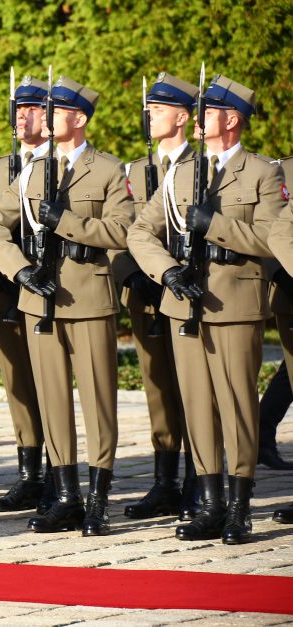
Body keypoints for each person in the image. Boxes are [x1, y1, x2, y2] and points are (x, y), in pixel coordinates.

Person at [131, 75, 286, 544]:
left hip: (235, 301)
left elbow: (272, 238)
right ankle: (211, 503)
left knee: (237, 406)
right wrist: (167, 272)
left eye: (211, 111)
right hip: (184, 302)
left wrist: (214, 224)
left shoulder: (261, 172)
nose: (200, 119)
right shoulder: (180, 172)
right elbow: (141, 233)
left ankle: (240, 508)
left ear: (232, 120)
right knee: (197, 405)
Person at [0, 76, 134, 537]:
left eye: (55, 111)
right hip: (39, 299)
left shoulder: (107, 170)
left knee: (98, 402)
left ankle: (99, 498)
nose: (44, 118)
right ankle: (65, 496)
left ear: (79, 118)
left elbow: (122, 231)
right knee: (51, 400)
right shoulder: (30, 171)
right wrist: (19, 270)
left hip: (87, 297)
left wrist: (63, 221)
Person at [114, 73, 199, 521]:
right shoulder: (133, 172)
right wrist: (134, 273)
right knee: (158, 387)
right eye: (148, 110)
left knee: (195, 388)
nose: (150, 117)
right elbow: (119, 231)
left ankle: (200, 480)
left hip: (189, 293)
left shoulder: (202, 168)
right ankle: (165, 480)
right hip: (145, 294)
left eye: (160, 110)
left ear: (183, 117)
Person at [0, 76, 52, 515]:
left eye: (34, 108)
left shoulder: (61, 164)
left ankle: (58, 473)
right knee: (17, 383)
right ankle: (30, 474)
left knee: (50, 381)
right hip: (7, 287)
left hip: (47, 288)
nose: (23, 116)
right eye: (19, 108)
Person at [258, 155, 293, 472]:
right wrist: (281, 276)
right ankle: (261, 433)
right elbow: (270, 233)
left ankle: (261, 431)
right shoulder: (280, 170)